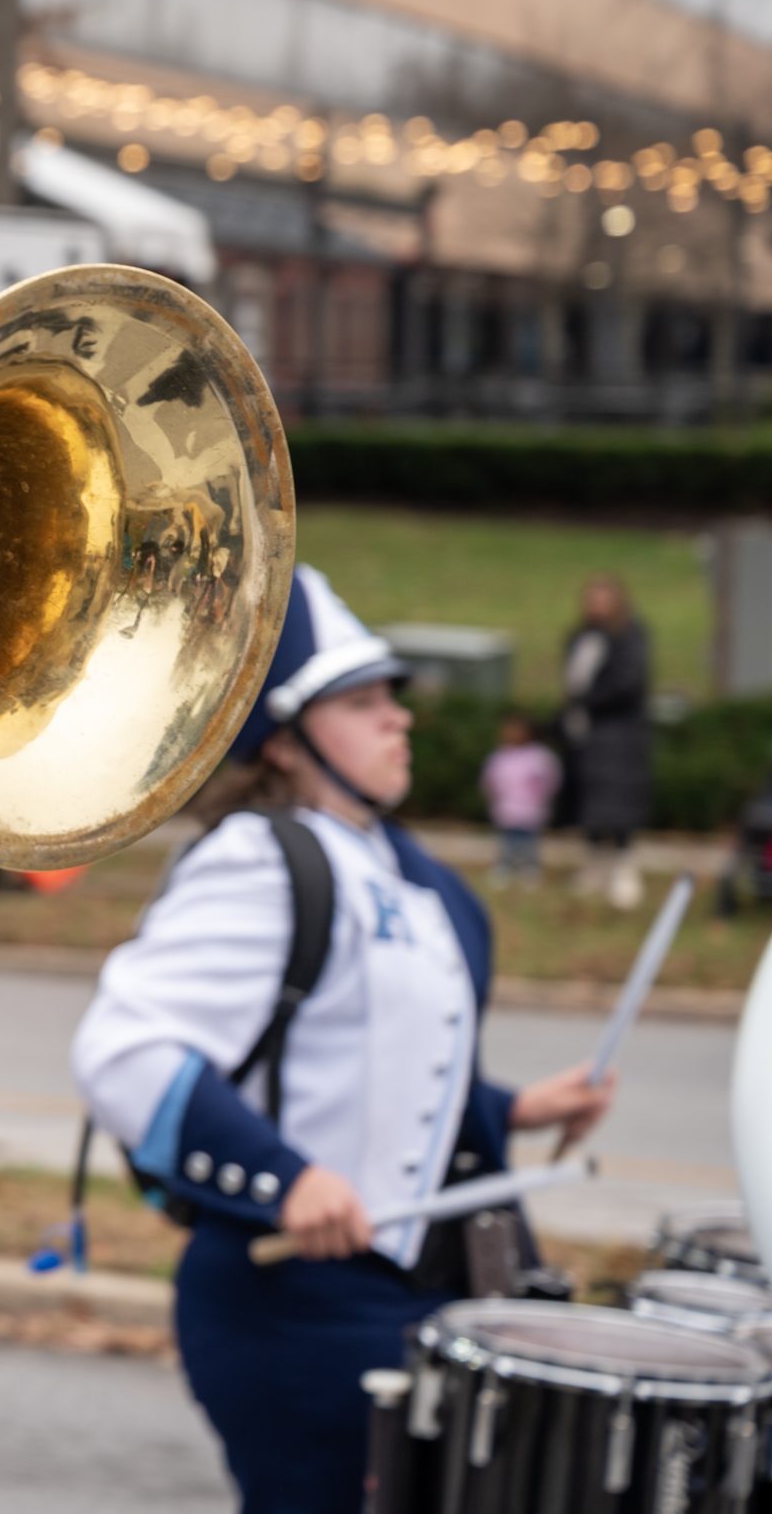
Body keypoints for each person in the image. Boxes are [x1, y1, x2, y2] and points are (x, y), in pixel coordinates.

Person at [72, 565, 614, 1514]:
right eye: (362, 703)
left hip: (416, 1296)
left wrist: (521, 1108)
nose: (398, 718)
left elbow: (377, 1080)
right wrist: (285, 1178)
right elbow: (125, 1052)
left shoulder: (414, 878)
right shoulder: (260, 858)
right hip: (289, 1308)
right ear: (285, 741)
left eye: (393, 700)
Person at [562, 572, 651, 911]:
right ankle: (595, 867)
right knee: (590, 800)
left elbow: (629, 683)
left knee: (620, 803)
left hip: (620, 735)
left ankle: (624, 869)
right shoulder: (581, 636)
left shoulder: (630, 635)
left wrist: (590, 700)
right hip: (587, 733)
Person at [480, 709, 561, 888]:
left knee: (529, 843)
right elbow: (490, 780)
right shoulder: (500, 756)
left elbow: (550, 780)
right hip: (506, 810)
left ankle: (529, 868)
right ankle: (505, 867)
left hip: (531, 811)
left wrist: (542, 799)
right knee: (507, 843)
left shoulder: (539, 757)